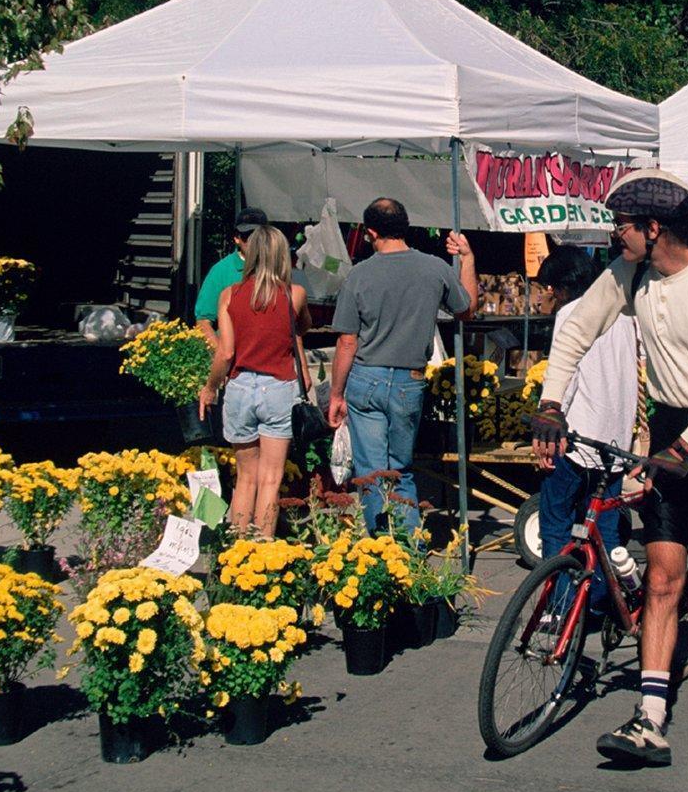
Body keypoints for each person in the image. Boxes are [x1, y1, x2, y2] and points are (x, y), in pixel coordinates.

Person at [536, 170, 688, 766]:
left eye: (621, 225)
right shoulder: (629, 273)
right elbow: (576, 330)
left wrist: (685, 447)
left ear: (653, 227)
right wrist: (551, 404)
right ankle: (650, 715)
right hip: (669, 431)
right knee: (662, 578)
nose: (616, 235)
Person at [325, 197, 478, 535]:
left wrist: (336, 394)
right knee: (401, 470)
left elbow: (347, 341)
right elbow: (466, 309)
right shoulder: (435, 268)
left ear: (370, 232)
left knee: (371, 472)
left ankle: (383, 547)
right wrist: (467, 258)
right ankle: (408, 552)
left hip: (367, 378)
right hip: (410, 380)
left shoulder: (359, 275)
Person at [197, 225, 311, 537]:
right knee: (271, 479)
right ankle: (263, 550)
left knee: (244, 477)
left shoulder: (229, 295)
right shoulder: (295, 294)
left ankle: (238, 550)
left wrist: (209, 388)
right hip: (278, 387)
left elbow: (226, 352)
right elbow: (303, 326)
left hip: (240, 387)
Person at [528, 246, 637, 569]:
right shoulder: (623, 315)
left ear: (563, 285)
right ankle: (600, 610)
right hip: (614, 440)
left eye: (551, 286)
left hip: (576, 439)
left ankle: (558, 609)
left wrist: (547, 429)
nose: (549, 293)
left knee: (556, 526)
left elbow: (567, 377)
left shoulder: (571, 313)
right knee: (605, 532)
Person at [193, 207, 270, 345]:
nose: (253, 241)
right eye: (248, 235)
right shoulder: (221, 271)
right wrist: (221, 355)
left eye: (259, 235)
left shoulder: (275, 267)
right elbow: (203, 322)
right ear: (237, 238)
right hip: (234, 357)